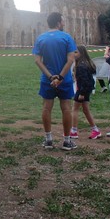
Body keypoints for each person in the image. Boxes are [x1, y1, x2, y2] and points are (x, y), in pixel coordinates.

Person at [33, 12, 77, 151]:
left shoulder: (41, 38)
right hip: (65, 80)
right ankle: (66, 141)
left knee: (46, 108)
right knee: (66, 108)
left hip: (47, 80)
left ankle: (48, 140)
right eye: (62, 21)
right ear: (58, 22)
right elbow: (71, 60)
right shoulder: (66, 37)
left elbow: (37, 61)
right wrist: (60, 77)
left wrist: (51, 77)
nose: (64, 23)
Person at [70, 45, 102, 140]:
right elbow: (90, 80)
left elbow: (85, 81)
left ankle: (74, 131)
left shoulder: (81, 66)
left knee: (75, 109)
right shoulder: (85, 64)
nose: (74, 54)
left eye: (76, 52)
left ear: (81, 53)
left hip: (83, 90)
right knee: (85, 110)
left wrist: (82, 93)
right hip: (86, 89)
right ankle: (95, 130)